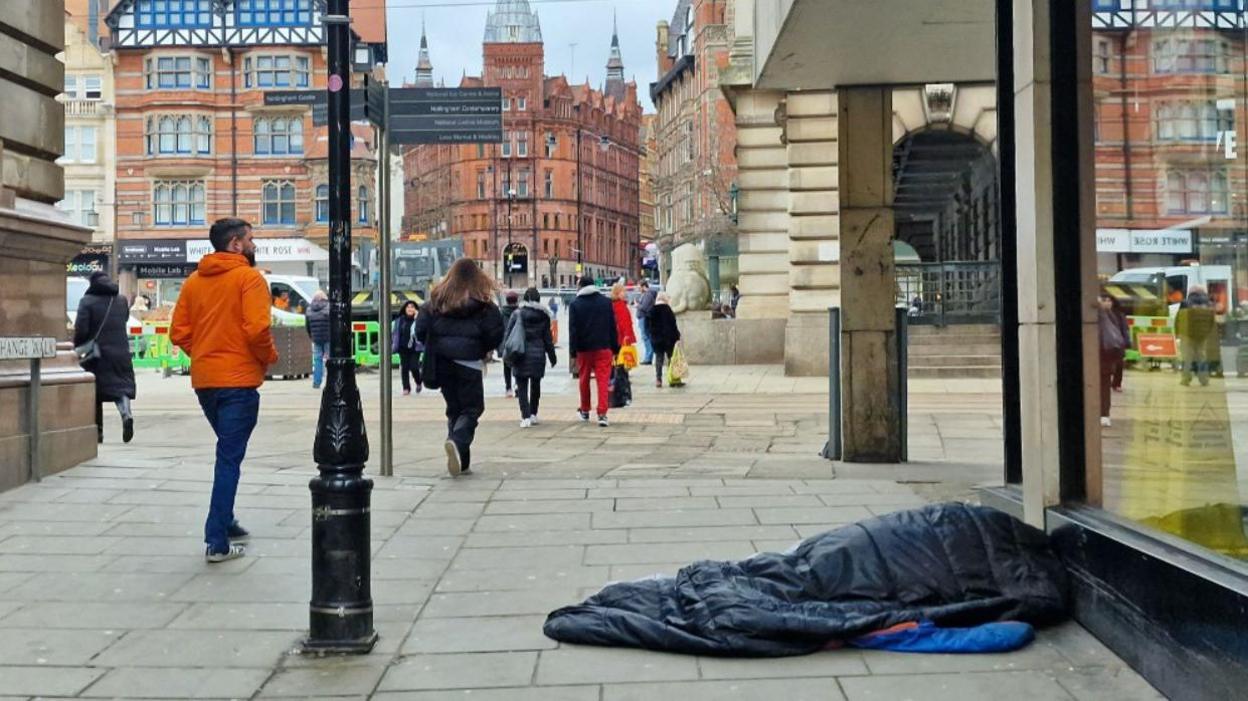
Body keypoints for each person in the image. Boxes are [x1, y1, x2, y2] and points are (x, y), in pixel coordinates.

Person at [170, 218, 277, 563]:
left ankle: (226, 520)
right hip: (239, 382)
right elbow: (258, 329)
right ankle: (216, 540)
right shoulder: (249, 279)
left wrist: (204, 354)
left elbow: (179, 333)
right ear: (235, 244)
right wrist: (269, 359)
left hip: (206, 382)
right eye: (250, 240)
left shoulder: (193, 282)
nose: (254, 246)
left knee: (228, 451)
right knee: (229, 458)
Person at [415, 258, 504, 476]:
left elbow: (420, 331)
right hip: (469, 362)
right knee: (472, 409)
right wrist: (481, 347)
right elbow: (495, 335)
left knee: (455, 409)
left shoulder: (435, 301)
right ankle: (455, 441)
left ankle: (461, 462)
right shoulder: (484, 305)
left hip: (441, 362)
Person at [74, 271, 137, 445]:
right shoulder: (121, 301)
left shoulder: (87, 302)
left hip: (98, 354)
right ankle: (126, 414)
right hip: (121, 352)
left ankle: (98, 433)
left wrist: (77, 347)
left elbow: (82, 330)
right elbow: (123, 320)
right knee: (121, 387)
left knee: (94, 391)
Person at [568, 275, 619, 426]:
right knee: (603, 380)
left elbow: (573, 330)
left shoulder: (575, 304)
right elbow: (612, 326)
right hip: (604, 347)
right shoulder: (606, 302)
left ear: (581, 286)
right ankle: (602, 414)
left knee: (584, 379)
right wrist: (615, 347)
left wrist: (573, 351)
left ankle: (585, 410)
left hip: (583, 349)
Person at [507, 287, 558, 427]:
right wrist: (552, 357)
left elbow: (509, 335)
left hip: (520, 353)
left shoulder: (517, 314)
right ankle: (534, 413)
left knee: (522, 386)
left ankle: (525, 416)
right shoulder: (544, 316)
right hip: (538, 354)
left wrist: (506, 353)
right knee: (536, 385)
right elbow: (548, 339)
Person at [1097, 293, 1130, 428]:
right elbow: (1120, 336)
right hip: (1107, 356)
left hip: (1102, 356)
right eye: (1104, 300)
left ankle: (1103, 414)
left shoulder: (1106, 316)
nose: (1107, 303)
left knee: (1103, 385)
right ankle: (1104, 415)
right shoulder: (1113, 315)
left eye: (1109, 300)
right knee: (1104, 386)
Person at [1176, 285, 1216, 387]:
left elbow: (1179, 318)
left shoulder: (1185, 303)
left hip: (1187, 334)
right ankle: (1204, 380)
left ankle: (1186, 379)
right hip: (1202, 336)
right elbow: (1212, 321)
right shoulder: (1209, 304)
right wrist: (1207, 332)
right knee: (1201, 357)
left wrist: (1177, 332)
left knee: (1187, 357)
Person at [648, 292, 682, 388]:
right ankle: (673, 379)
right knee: (671, 359)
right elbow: (673, 325)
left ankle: (658, 379)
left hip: (657, 339)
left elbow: (649, 326)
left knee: (659, 359)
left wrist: (652, 335)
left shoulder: (652, 310)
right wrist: (677, 337)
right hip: (668, 339)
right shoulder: (668, 310)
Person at [392, 300, 424, 395]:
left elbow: (423, 330)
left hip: (415, 347)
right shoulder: (400, 320)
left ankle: (418, 382)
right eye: (408, 307)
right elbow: (395, 334)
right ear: (404, 309)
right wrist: (394, 345)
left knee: (414, 367)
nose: (410, 309)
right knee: (404, 368)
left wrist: (418, 318)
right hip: (403, 347)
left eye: (412, 307)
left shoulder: (419, 320)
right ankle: (406, 388)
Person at [304, 290, 330, 389]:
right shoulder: (329, 307)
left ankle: (316, 382)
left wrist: (312, 336)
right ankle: (329, 381)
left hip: (316, 338)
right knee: (329, 359)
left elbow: (307, 326)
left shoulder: (309, 309)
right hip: (328, 337)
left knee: (317, 359)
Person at [499, 291, 519, 398]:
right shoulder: (520, 312)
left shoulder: (501, 312)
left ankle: (508, 388)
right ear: (516, 300)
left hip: (505, 343)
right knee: (518, 365)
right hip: (517, 342)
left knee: (506, 366)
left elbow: (498, 328)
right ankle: (517, 386)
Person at [610, 282, 637, 349]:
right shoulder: (620, 306)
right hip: (622, 338)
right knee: (624, 357)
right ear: (618, 293)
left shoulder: (612, 304)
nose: (625, 293)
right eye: (623, 291)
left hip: (615, 337)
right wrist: (627, 336)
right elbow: (625, 323)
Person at [636, 279, 657, 365]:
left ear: (644, 286)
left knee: (646, 337)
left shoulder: (647, 295)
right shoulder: (645, 294)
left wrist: (638, 305)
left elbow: (644, 307)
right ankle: (648, 356)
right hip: (643, 318)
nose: (638, 289)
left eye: (639, 287)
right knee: (646, 337)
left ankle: (648, 357)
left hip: (644, 318)